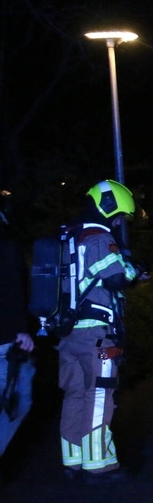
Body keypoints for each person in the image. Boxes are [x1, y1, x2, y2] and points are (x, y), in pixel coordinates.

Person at [57, 180, 145, 482]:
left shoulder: (69, 235)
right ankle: (99, 465)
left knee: (75, 394)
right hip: (97, 334)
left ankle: (73, 460)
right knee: (98, 396)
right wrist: (136, 270)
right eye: (119, 216)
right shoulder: (98, 237)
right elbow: (116, 277)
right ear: (109, 208)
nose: (119, 222)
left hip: (68, 333)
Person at [0, 190, 35, 461]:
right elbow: (12, 286)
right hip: (6, 343)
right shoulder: (6, 245)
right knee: (18, 402)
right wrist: (21, 330)